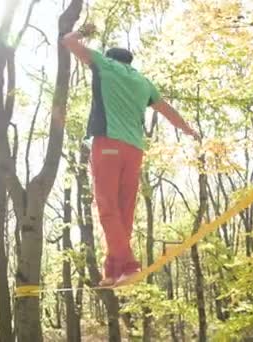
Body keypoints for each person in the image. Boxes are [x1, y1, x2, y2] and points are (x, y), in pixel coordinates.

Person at [61, 23, 200, 287]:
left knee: (106, 208)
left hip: (108, 144)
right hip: (134, 150)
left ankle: (129, 264)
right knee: (123, 211)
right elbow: (167, 110)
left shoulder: (106, 65)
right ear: (131, 61)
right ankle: (114, 270)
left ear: (111, 58)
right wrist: (188, 130)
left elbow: (67, 41)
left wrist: (83, 32)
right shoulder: (143, 81)